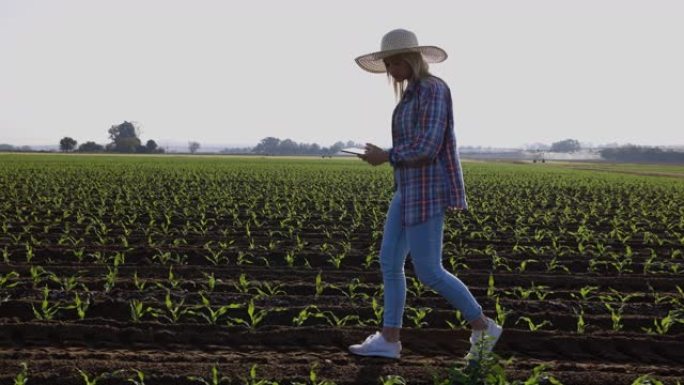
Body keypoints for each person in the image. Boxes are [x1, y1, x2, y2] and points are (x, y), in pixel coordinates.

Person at [348, 29, 502, 361]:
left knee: (429, 271)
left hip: (427, 191)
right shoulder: (410, 94)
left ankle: (483, 326)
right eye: (387, 63)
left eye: (394, 62)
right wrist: (384, 156)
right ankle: (389, 339)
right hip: (406, 189)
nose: (390, 69)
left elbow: (429, 146)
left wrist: (386, 155)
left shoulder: (433, 89)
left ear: (410, 59)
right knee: (389, 261)